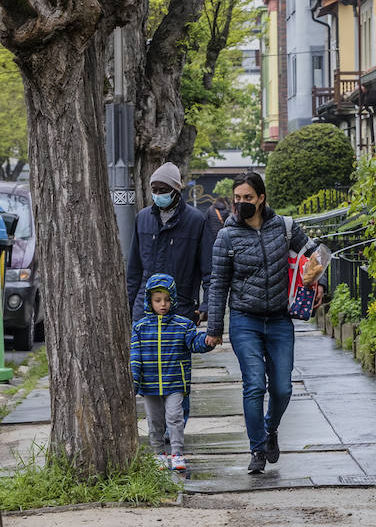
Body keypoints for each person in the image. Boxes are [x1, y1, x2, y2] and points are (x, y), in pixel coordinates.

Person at [205, 171, 320, 474]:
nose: (241, 203)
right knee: (254, 385)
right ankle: (257, 448)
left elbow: (314, 255)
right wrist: (215, 329)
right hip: (245, 320)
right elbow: (218, 284)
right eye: (237, 199)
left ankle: (270, 429)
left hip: (280, 320)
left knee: (282, 388)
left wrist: (318, 282)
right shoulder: (226, 236)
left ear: (261, 199)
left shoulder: (284, 228)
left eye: (247, 198)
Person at [130, 273, 215, 472]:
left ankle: (177, 453)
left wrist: (208, 341)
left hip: (175, 382)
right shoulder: (140, 328)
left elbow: (195, 343)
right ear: (149, 301)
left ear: (173, 299)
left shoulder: (183, 325)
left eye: (167, 300)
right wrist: (134, 381)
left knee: (175, 416)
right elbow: (135, 357)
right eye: (158, 300)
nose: (163, 304)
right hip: (150, 384)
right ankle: (159, 454)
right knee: (155, 421)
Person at [126, 162, 214, 323]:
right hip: (144, 309)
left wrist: (206, 306)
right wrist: (128, 305)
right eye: (154, 190)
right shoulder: (142, 218)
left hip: (181, 307)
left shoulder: (196, 221)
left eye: (163, 190)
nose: (158, 194)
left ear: (176, 190)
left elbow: (209, 270)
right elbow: (134, 269)